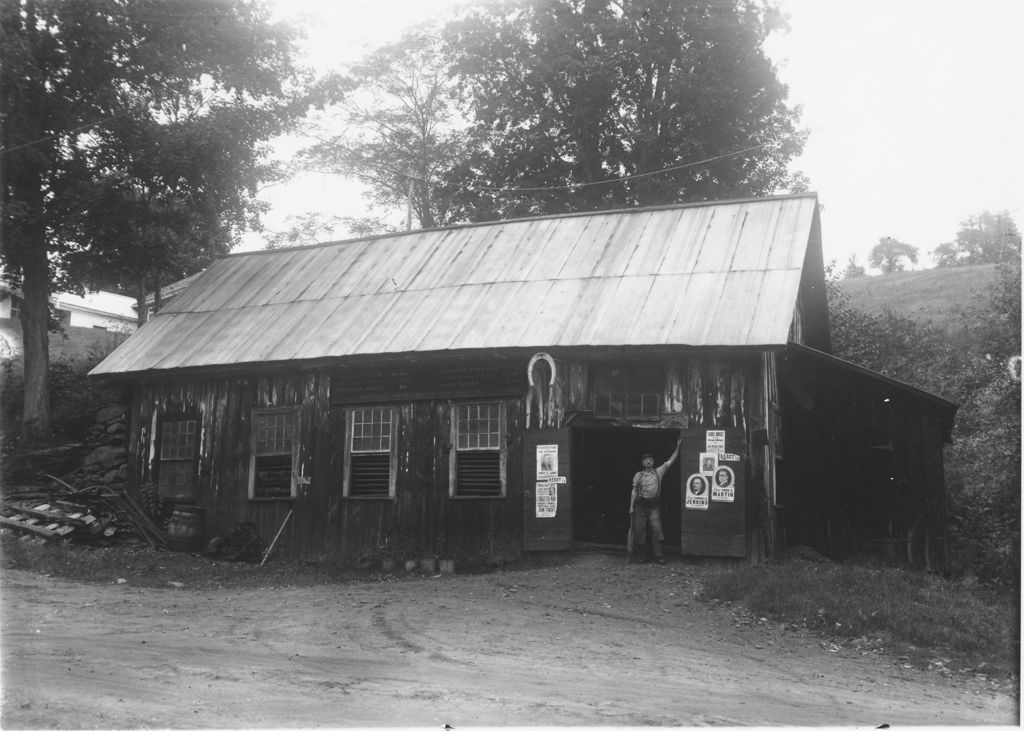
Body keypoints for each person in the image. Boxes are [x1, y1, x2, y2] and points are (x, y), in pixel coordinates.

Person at [629, 434, 683, 564]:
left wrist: (678, 447)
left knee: (657, 530)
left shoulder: (659, 472)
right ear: (642, 463)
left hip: (653, 506)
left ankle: (659, 556)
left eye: (650, 460)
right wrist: (631, 506)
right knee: (640, 531)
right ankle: (642, 555)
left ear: (653, 462)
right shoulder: (638, 475)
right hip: (640, 506)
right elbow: (634, 491)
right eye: (645, 460)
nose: (648, 461)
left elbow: (671, 460)